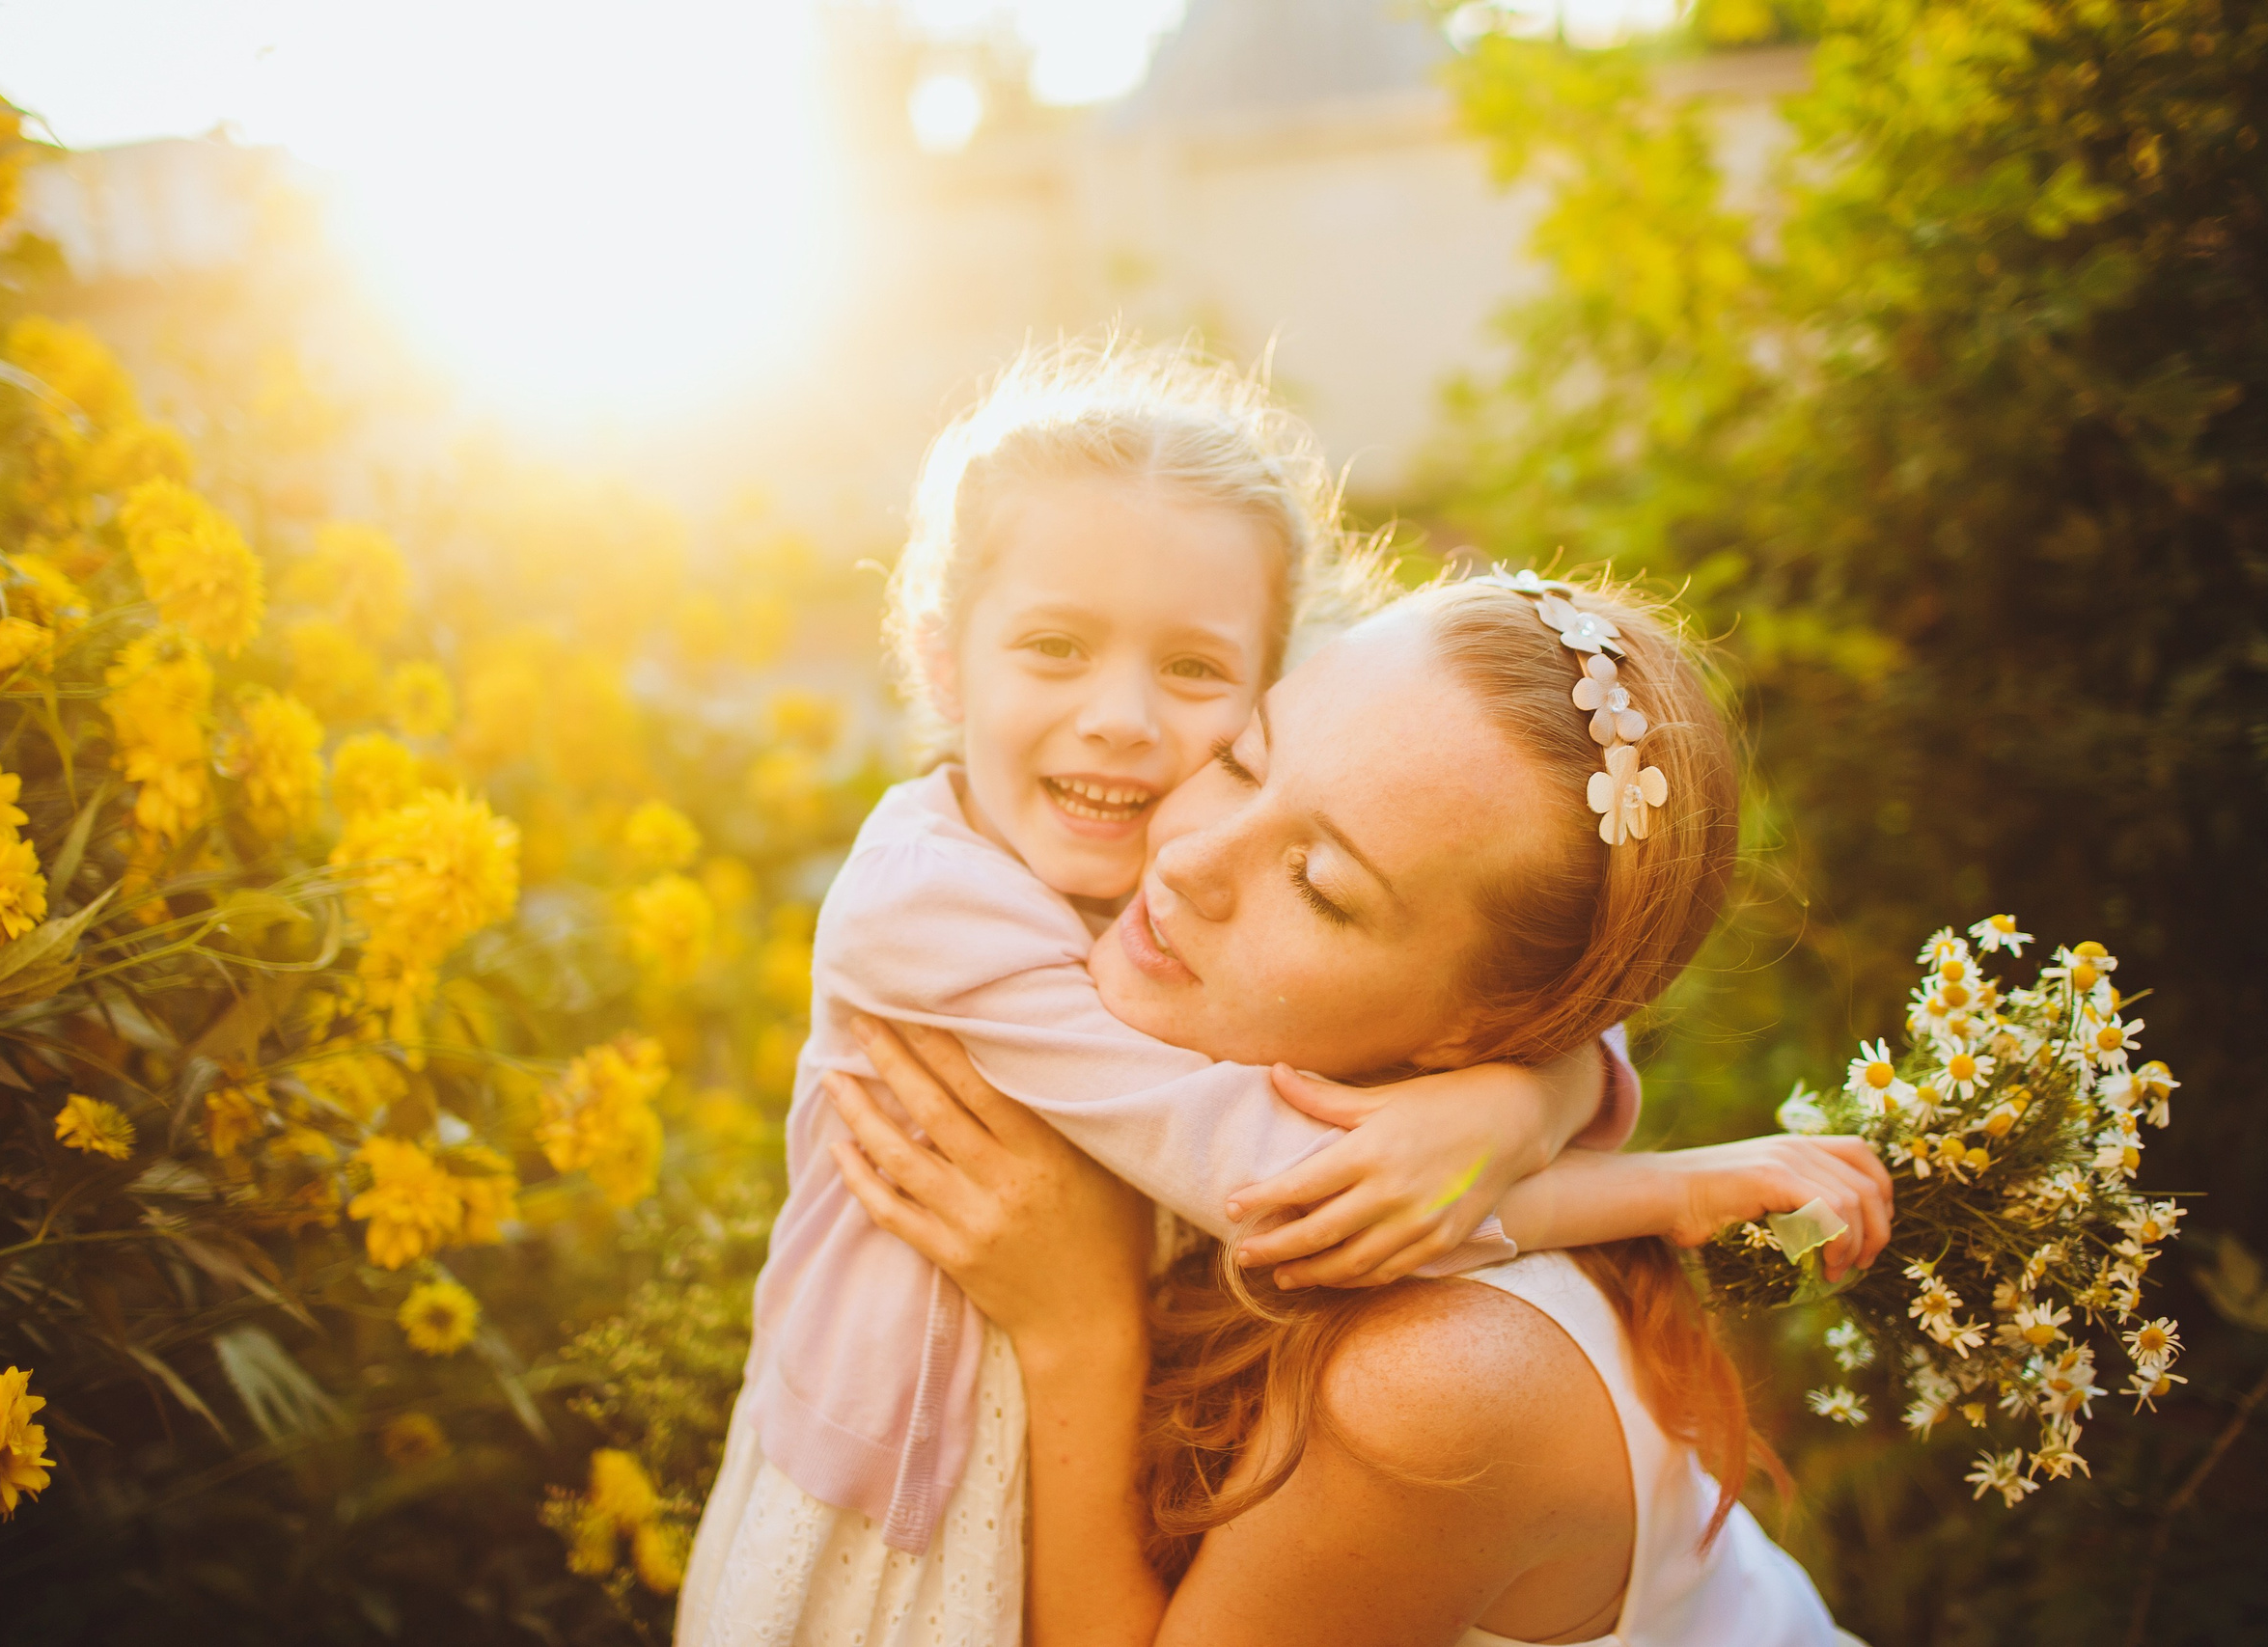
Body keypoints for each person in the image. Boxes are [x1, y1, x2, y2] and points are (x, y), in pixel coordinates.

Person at [677, 346, 1667, 1647]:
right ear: (943, 660)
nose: (1123, 719)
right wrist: (1677, 1188)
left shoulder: (1184, 853)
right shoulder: (927, 904)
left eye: (1195, 670)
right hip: (902, 1506)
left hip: (1078, 1465)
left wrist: (1525, 1090)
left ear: (1272, 686)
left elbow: (1504, 969)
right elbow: (1266, 1177)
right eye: (1054, 646)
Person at [828, 577, 1888, 1645]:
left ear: (1478, 1030)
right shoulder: (1182, 976)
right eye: (1242, 757)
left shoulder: (1432, 1388)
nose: (1186, 858)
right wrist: (1532, 1100)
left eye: (1322, 886)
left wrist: (1078, 1332)